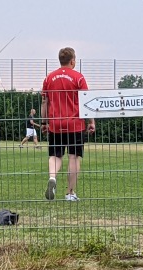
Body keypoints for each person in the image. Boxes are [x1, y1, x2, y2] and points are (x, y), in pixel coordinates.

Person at [40, 47, 95, 201]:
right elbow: (86, 101)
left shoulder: (49, 78)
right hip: (75, 124)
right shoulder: (79, 78)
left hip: (55, 124)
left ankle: (52, 178)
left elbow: (44, 102)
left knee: (55, 156)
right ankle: (70, 193)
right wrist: (91, 121)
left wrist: (44, 122)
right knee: (73, 157)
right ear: (72, 60)